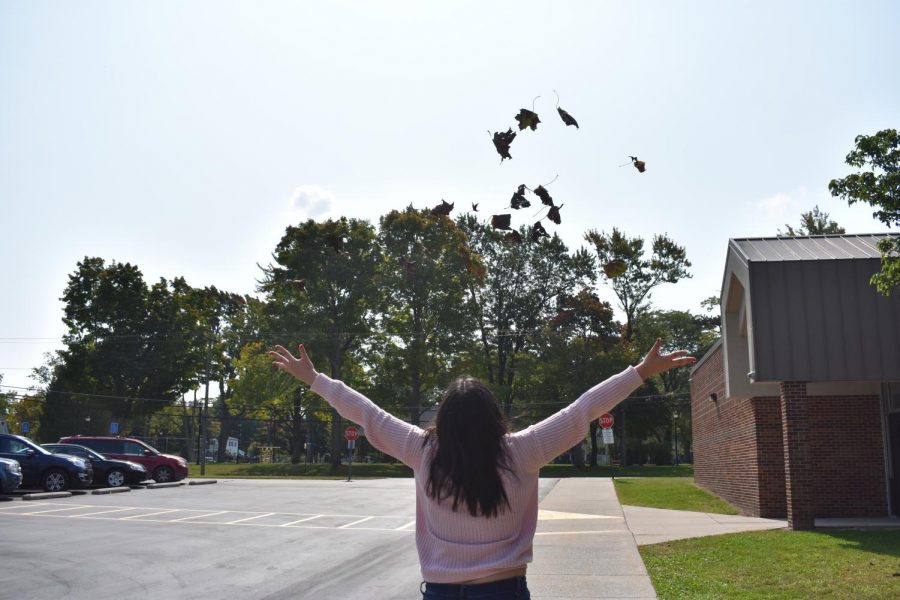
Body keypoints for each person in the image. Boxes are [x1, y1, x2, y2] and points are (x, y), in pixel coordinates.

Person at [270, 339, 696, 600]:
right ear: (494, 417)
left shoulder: (423, 450)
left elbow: (368, 413)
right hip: (504, 591)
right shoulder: (522, 451)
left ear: (445, 419)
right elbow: (582, 409)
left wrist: (315, 380)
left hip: (439, 592)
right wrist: (640, 371)